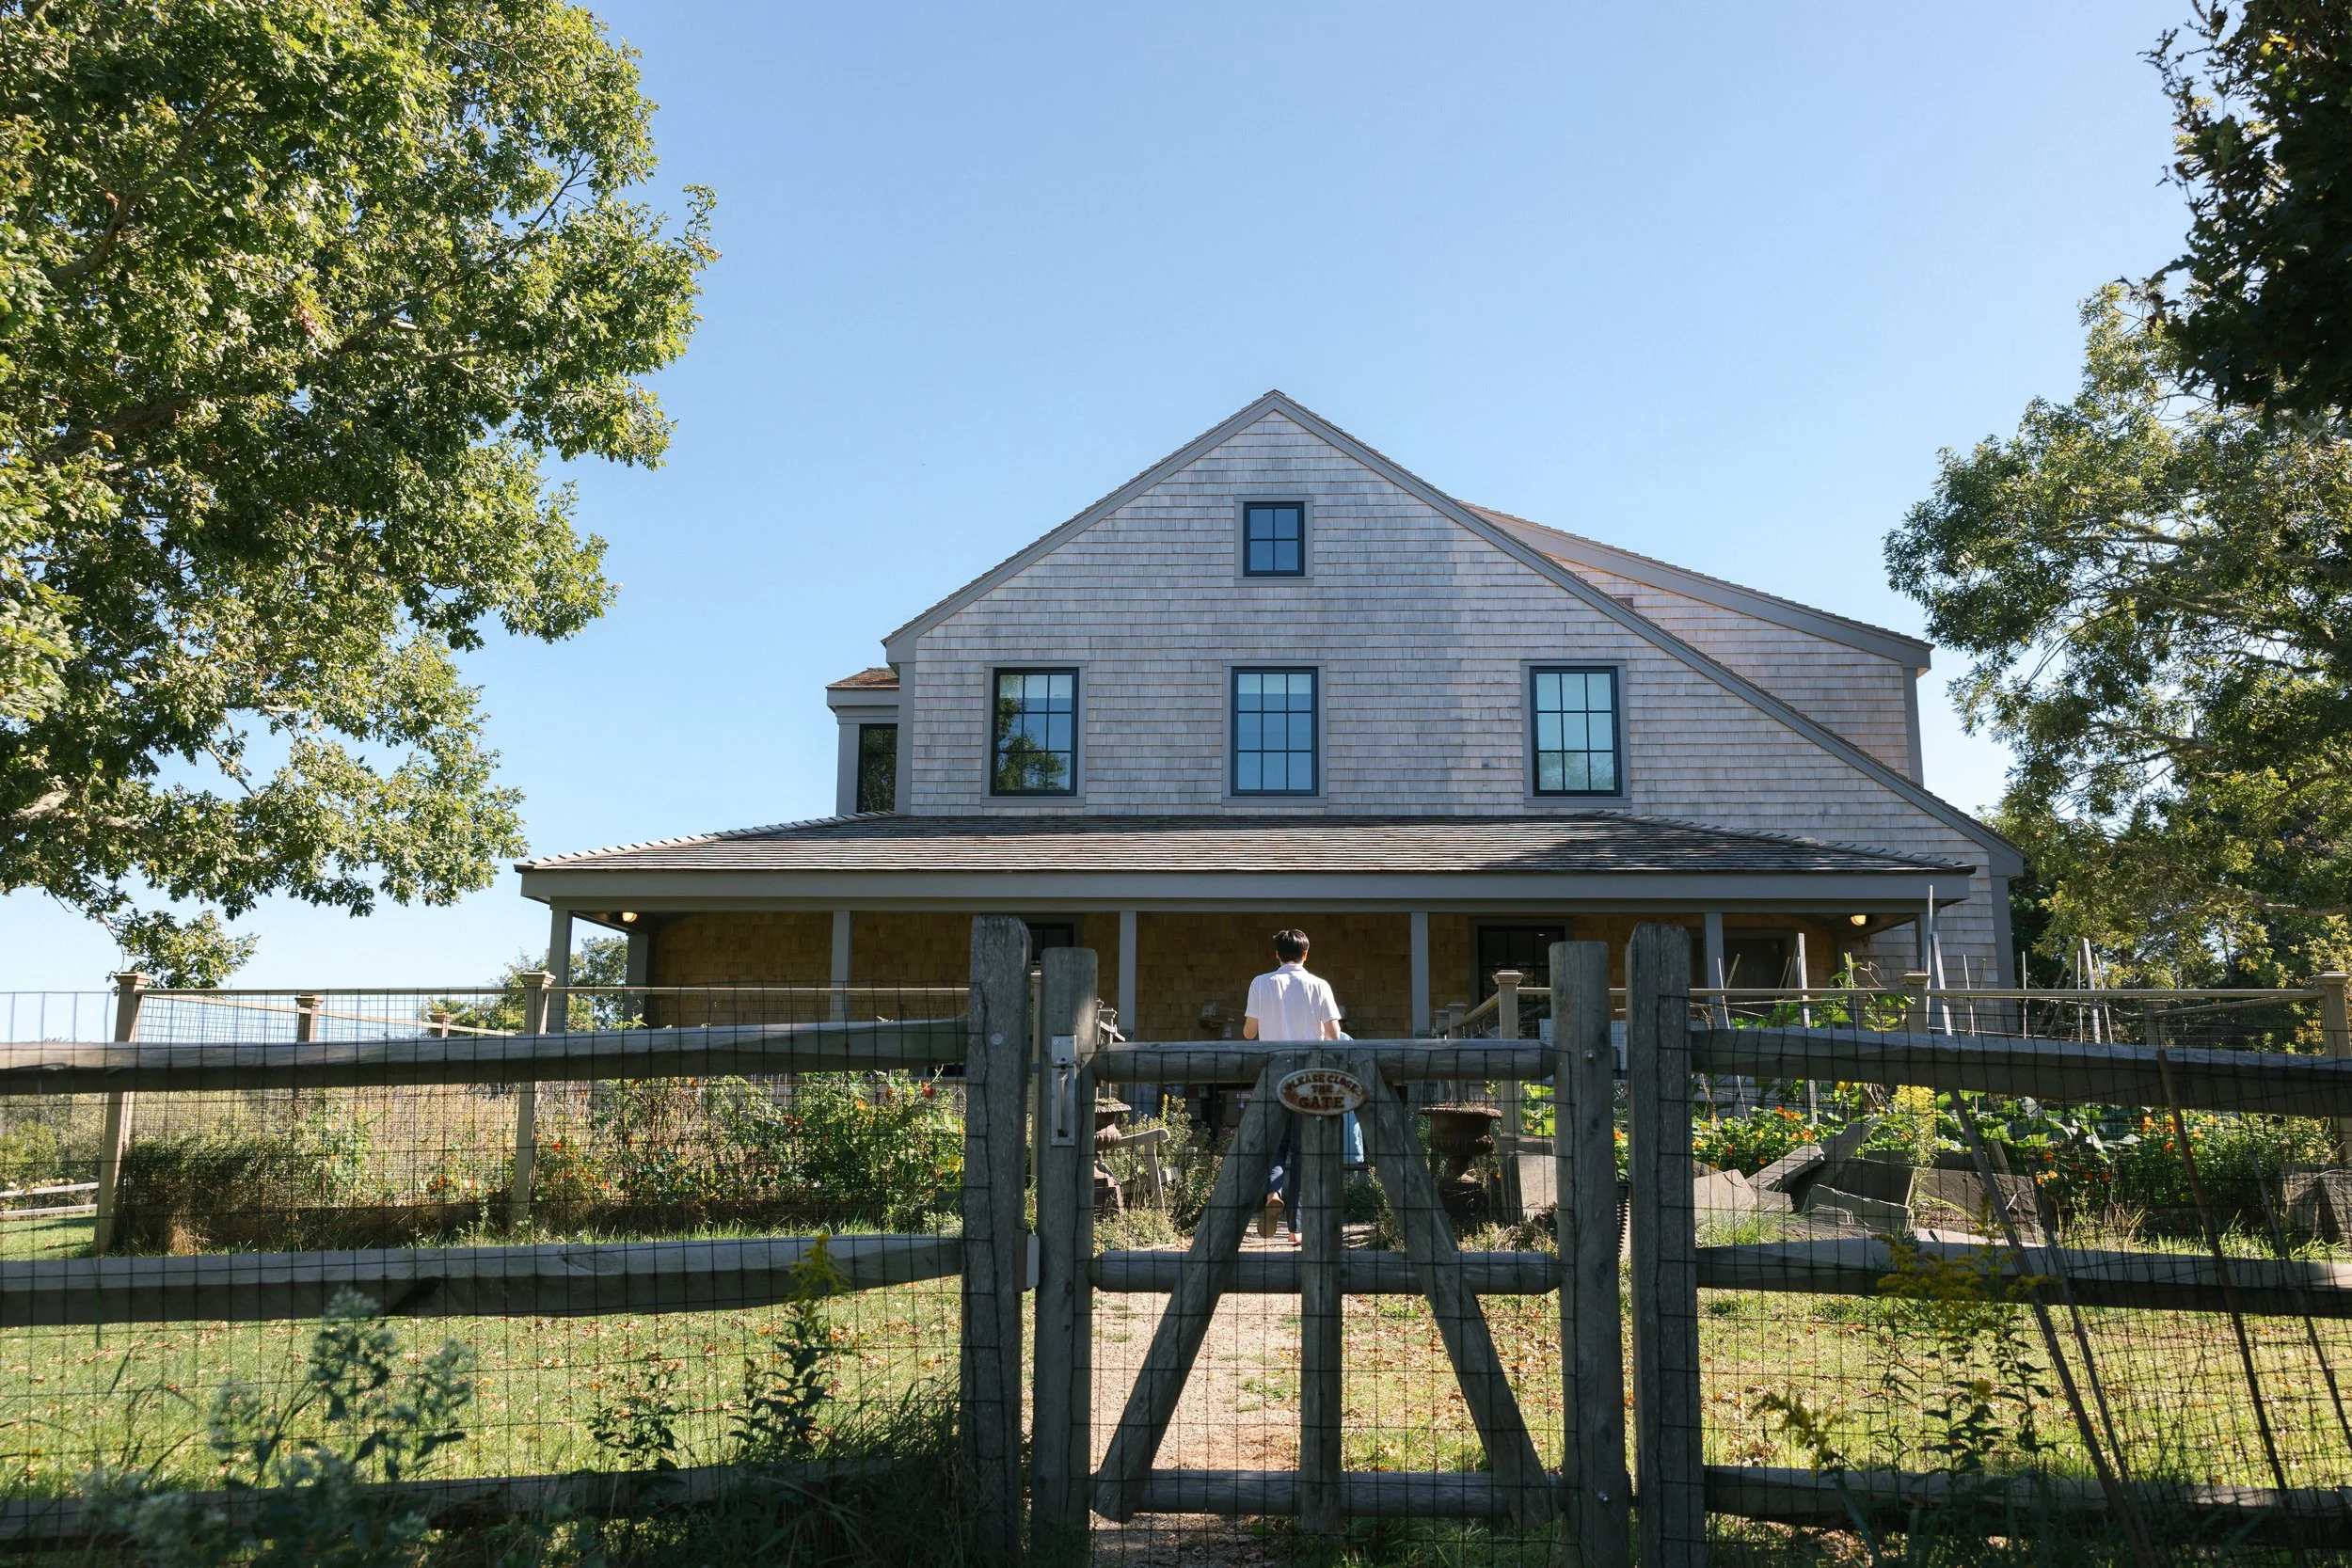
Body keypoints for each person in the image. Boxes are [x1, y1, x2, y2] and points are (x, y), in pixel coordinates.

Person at [1244, 928, 1342, 1243]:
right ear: (1306, 954)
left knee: (1274, 1143)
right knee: (1301, 1151)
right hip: (1308, 1080)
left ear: (1276, 954)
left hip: (1273, 1074)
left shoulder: (1261, 983)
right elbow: (1335, 1035)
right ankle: (1296, 1229)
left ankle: (1273, 1192)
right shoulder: (1319, 985)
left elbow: (1249, 1033)